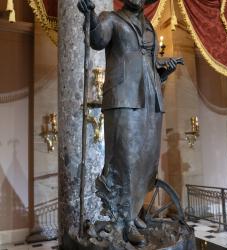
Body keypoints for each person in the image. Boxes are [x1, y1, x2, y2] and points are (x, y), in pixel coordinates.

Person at [78, 0, 183, 246]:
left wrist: (163, 70)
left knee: (147, 158)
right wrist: (91, 15)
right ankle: (122, 221)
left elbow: (151, 64)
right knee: (124, 158)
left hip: (151, 98)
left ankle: (133, 214)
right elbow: (97, 40)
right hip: (123, 96)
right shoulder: (111, 19)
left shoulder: (150, 26)